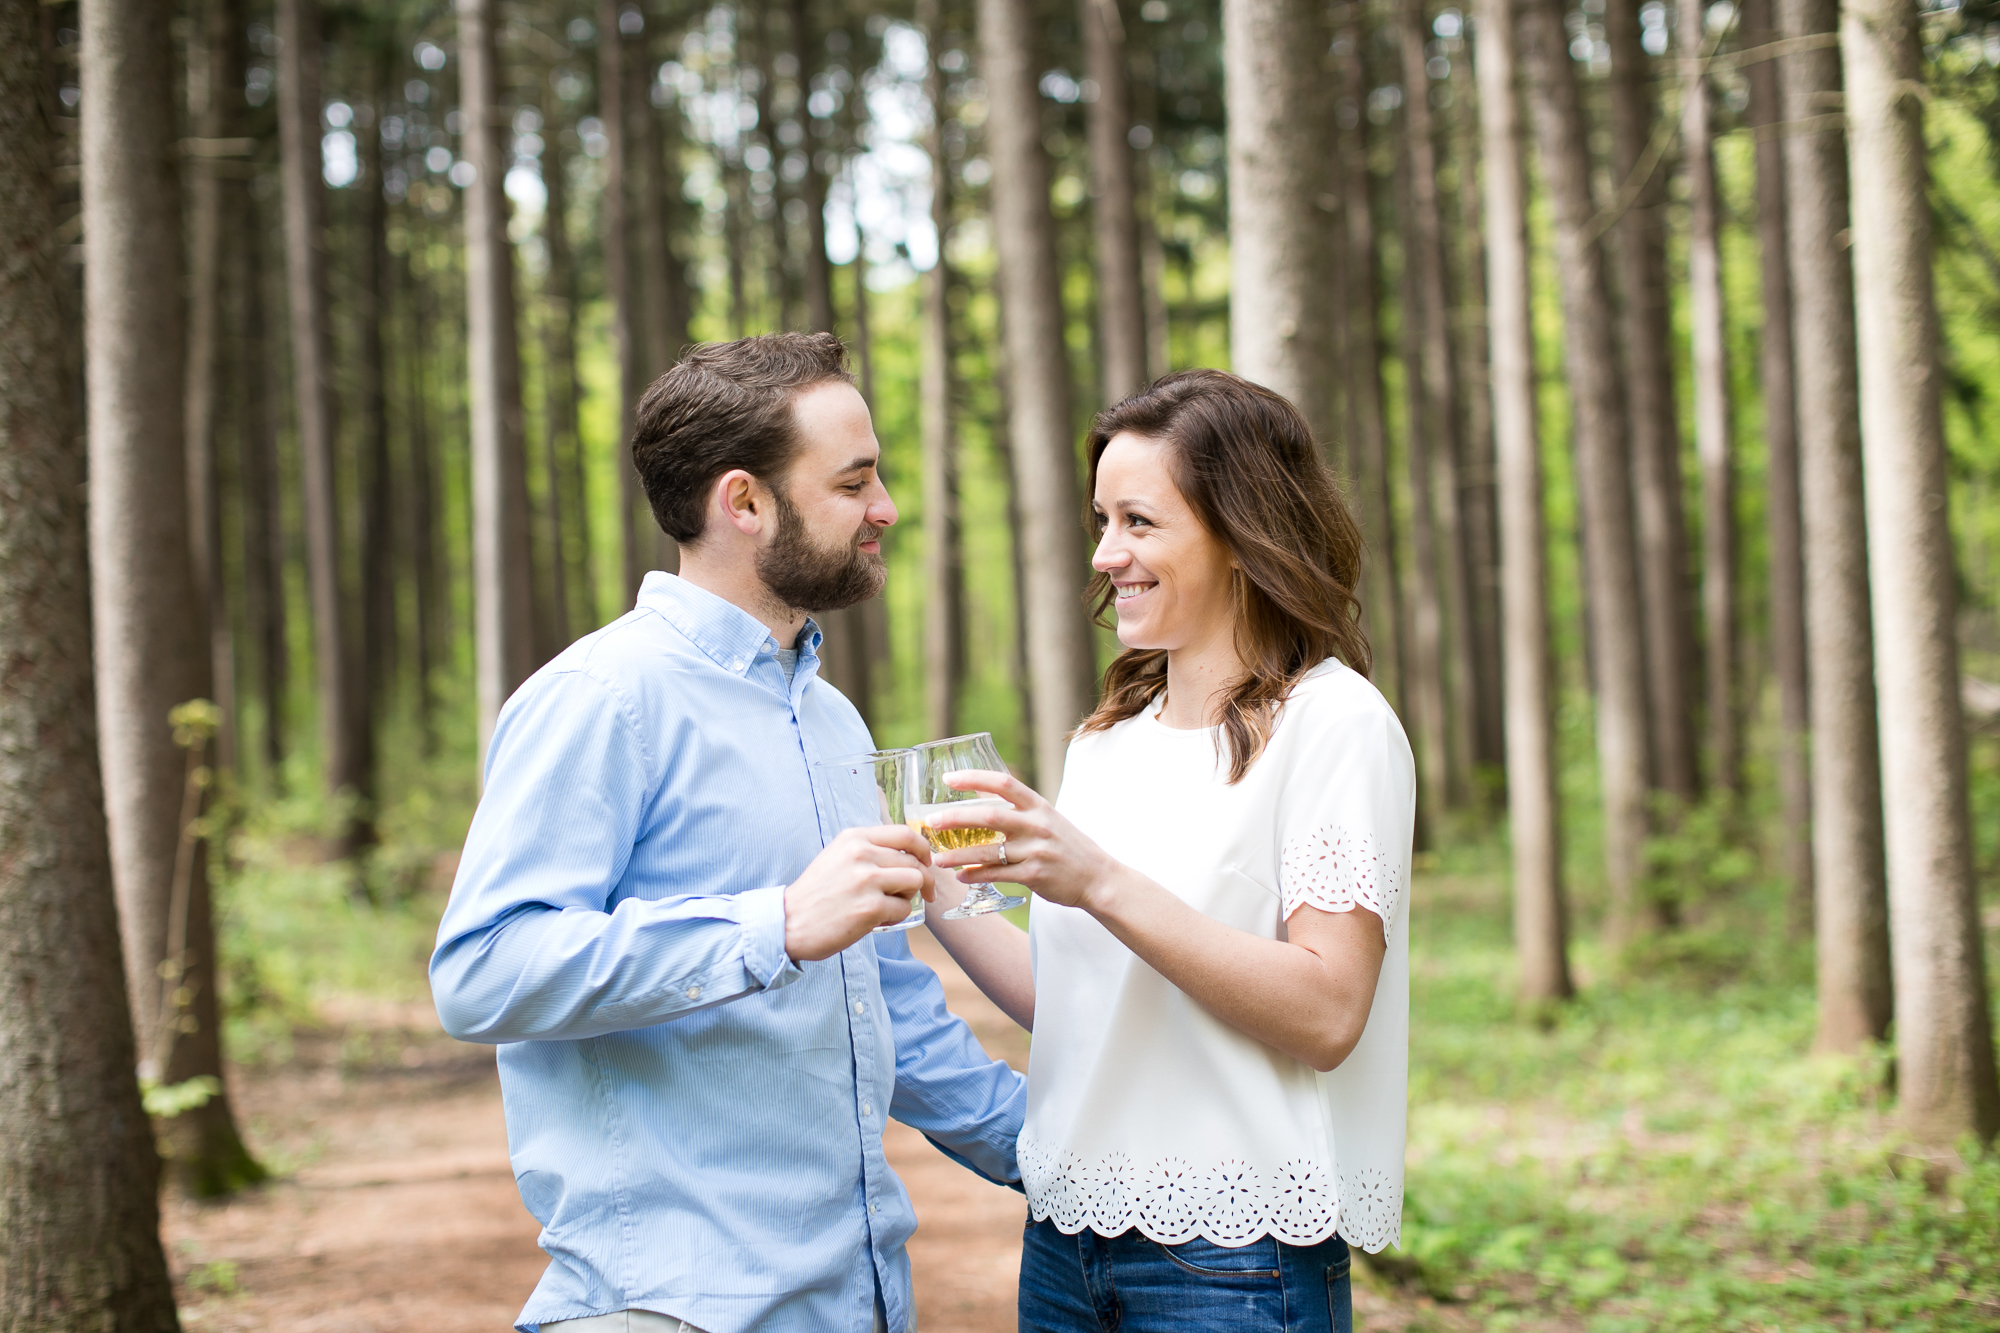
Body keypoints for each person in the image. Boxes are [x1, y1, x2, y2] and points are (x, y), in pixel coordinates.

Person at [430, 333, 1026, 1333]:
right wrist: (777, 923)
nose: (884, 508)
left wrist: (1068, 1162)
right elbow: (483, 969)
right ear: (743, 502)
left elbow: (881, 1006)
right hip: (667, 1308)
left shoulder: (834, 720)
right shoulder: (600, 699)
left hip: (857, 1302)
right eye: (854, 482)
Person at [923, 369, 1413, 1333]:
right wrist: (936, 883)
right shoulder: (1107, 738)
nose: (1107, 555)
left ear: (1241, 532)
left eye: (1139, 522)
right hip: (1064, 1240)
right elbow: (1079, 1001)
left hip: (1233, 1265)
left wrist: (1098, 880)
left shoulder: (1334, 723)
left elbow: (1326, 1009)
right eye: (1101, 521)